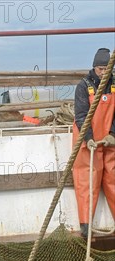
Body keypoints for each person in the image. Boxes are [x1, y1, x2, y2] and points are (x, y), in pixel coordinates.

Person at [72, 47, 115, 238]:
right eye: (100, 69)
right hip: (88, 140)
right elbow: (81, 116)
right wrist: (88, 138)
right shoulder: (84, 86)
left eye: (107, 69)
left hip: (109, 140)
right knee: (87, 179)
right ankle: (86, 224)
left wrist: (113, 133)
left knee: (113, 178)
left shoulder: (114, 84)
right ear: (94, 68)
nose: (104, 73)